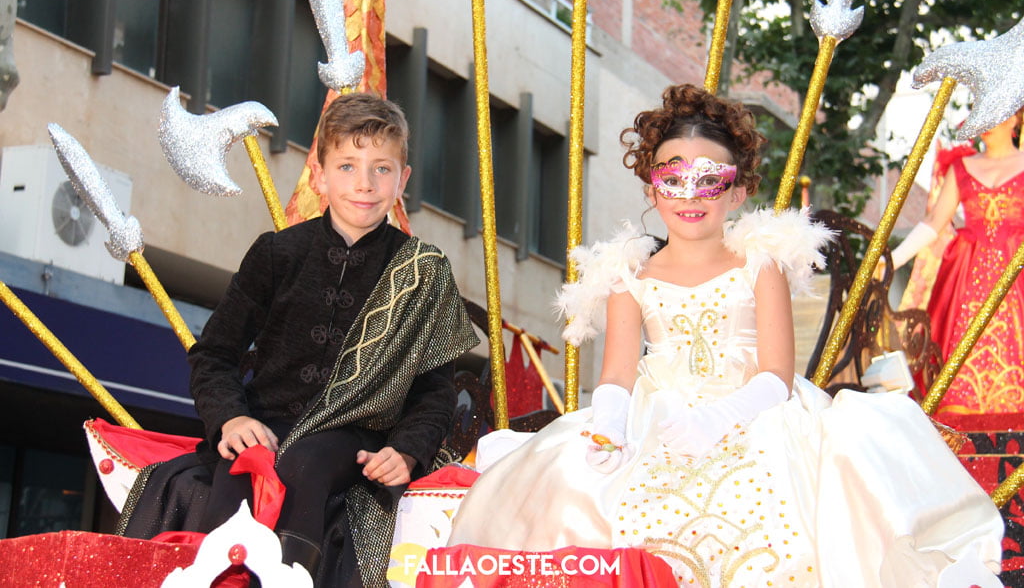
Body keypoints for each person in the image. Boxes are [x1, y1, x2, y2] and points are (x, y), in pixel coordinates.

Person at [447, 84, 1004, 587]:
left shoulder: (758, 264)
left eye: (709, 178)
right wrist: (611, 426)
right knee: (580, 495)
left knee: (787, 516)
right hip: (653, 420)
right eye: (673, 176)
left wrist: (719, 418)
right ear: (651, 188)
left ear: (736, 193)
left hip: (758, 417)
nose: (691, 194)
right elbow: (615, 372)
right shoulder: (629, 275)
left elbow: (778, 374)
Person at [118, 93, 479, 587]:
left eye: (381, 169)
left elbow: (435, 391)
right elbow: (215, 355)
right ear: (319, 172)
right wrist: (232, 417)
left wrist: (408, 451)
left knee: (304, 461)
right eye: (348, 166)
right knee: (243, 470)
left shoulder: (426, 271)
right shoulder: (277, 252)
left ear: (403, 180)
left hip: (359, 437)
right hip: (265, 425)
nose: (364, 184)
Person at [888, 106, 1024, 415]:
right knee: (955, 375)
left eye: (998, 114)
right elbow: (933, 224)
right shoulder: (960, 168)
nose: (987, 123)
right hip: (966, 281)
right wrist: (890, 261)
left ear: (1016, 119)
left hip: (1016, 280)